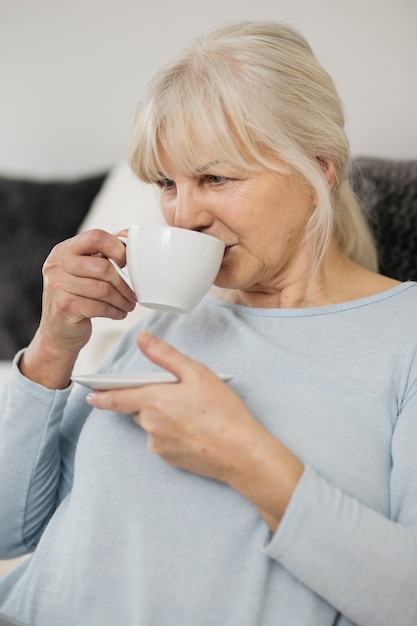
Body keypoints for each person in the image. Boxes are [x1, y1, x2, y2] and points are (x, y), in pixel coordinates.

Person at [0, 19, 416, 626]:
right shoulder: (169, 320)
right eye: (168, 183)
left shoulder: (403, 335)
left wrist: (244, 455)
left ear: (318, 168)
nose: (182, 214)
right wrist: (50, 352)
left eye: (216, 177)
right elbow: (10, 530)